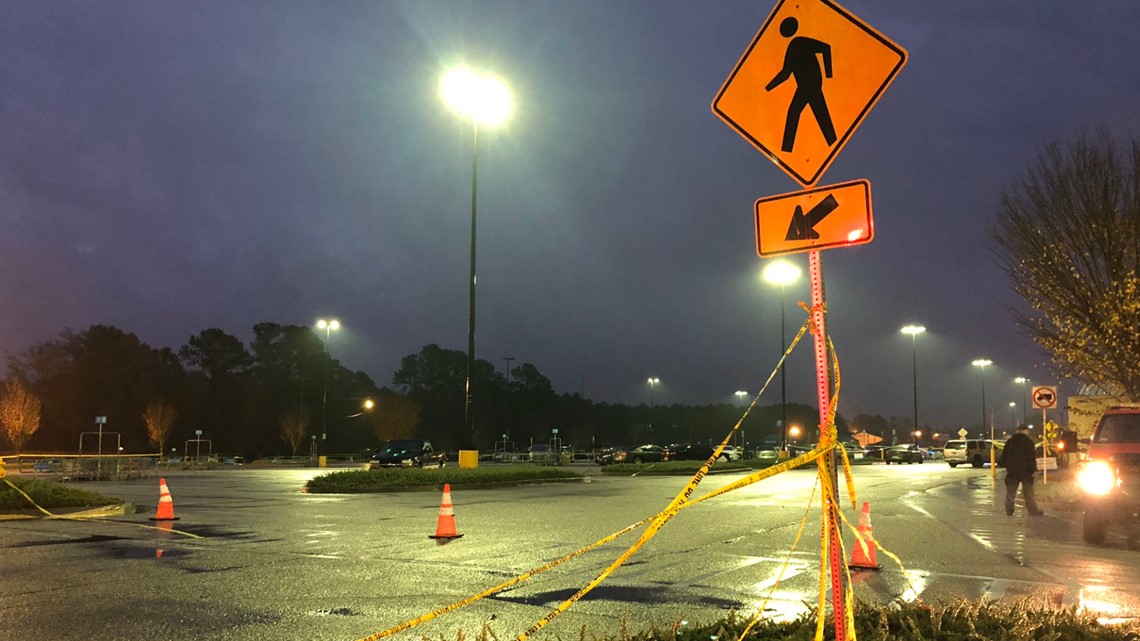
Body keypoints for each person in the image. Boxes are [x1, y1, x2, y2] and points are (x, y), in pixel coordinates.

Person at [998, 425, 1044, 516]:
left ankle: (1009, 509)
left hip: (1012, 471)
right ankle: (1033, 511)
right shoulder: (1028, 442)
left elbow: (1004, 456)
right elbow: (1031, 458)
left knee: (1011, 491)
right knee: (1028, 493)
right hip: (1026, 471)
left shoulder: (1010, 442)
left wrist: (1006, 465)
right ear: (1025, 431)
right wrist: (1034, 470)